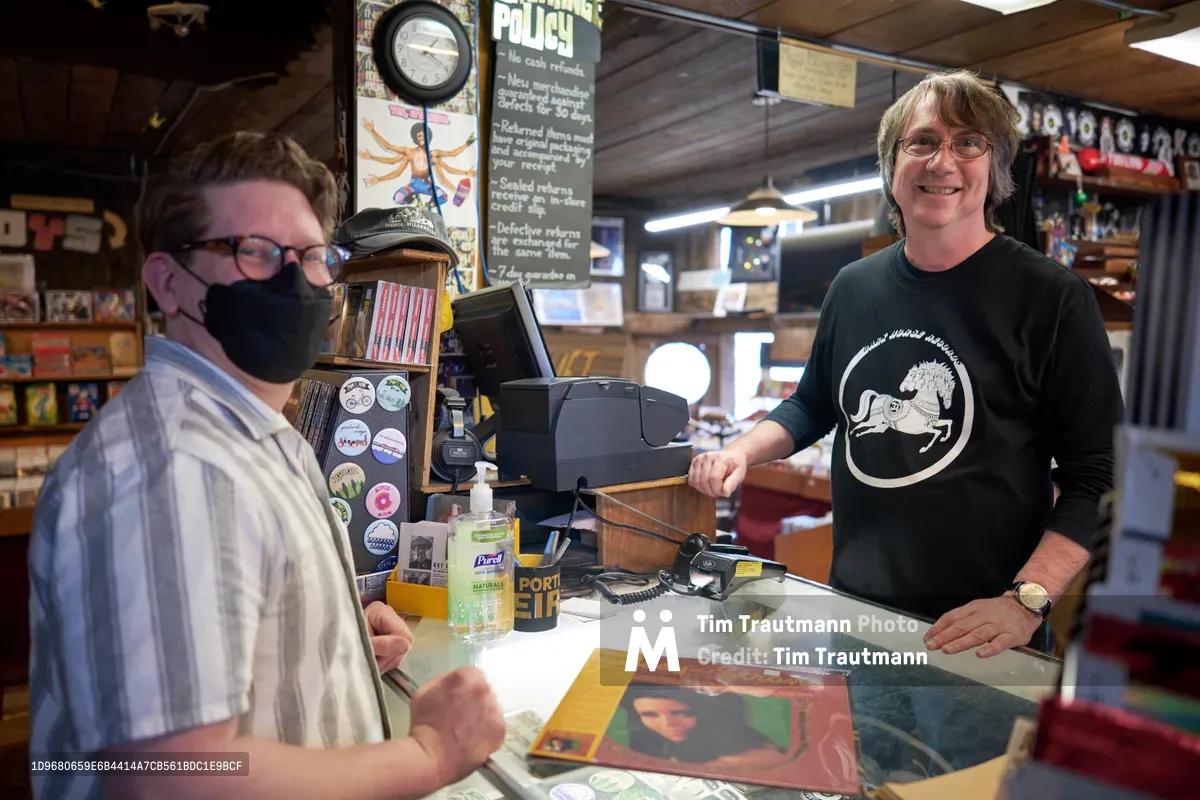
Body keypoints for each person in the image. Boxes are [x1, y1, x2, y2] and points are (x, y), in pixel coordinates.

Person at [27, 131, 505, 799]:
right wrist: (431, 754)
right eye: (254, 251)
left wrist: (325, 641)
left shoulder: (250, 432)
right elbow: (171, 776)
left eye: (311, 256)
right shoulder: (179, 466)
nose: (296, 279)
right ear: (168, 282)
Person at [689, 70, 1124, 658]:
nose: (942, 161)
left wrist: (1025, 601)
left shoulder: (1053, 298)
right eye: (922, 141)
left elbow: (1098, 474)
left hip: (983, 631)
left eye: (967, 142)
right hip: (857, 613)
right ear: (892, 165)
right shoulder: (852, 286)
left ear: (994, 167)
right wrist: (739, 452)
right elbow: (813, 404)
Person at [616, 684, 786, 767]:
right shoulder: (663, 748)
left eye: (681, 713)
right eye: (650, 715)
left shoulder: (744, 757)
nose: (667, 724)